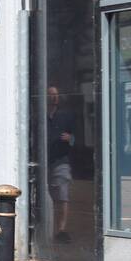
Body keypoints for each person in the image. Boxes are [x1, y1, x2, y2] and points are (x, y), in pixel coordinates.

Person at [46, 85, 75, 243]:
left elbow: (76, 138)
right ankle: (47, 228)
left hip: (61, 160)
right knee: (48, 196)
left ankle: (61, 229)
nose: (54, 97)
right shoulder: (41, 116)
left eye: (56, 95)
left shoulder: (66, 116)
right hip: (44, 162)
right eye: (51, 95)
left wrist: (70, 139)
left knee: (62, 195)